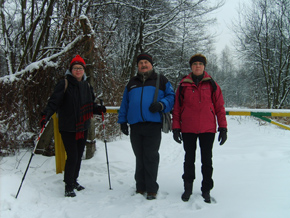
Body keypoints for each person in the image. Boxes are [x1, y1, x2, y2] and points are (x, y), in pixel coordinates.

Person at [40, 55, 106, 197]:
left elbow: (91, 104)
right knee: (72, 156)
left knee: (78, 155)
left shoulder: (87, 85)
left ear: (84, 70)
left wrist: (98, 109)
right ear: (71, 70)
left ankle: (74, 181)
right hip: (68, 127)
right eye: (75, 68)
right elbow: (54, 102)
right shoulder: (64, 84)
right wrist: (45, 115)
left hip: (82, 127)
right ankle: (68, 185)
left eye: (80, 68)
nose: (78, 70)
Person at [118, 53, 175, 200]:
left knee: (150, 157)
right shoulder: (131, 83)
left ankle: (151, 189)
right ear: (138, 66)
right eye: (141, 63)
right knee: (139, 157)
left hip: (153, 125)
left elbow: (171, 97)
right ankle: (140, 187)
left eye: (146, 62)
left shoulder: (160, 80)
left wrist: (162, 105)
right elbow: (125, 103)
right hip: (135, 126)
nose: (143, 65)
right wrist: (122, 121)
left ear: (151, 64)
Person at [172, 54, 227, 203]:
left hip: (207, 129)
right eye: (195, 64)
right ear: (191, 67)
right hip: (188, 128)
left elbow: (219, 108)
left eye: (200, 64)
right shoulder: (184, 85)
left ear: (204, 67)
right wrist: (176, 127)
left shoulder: (212, 85)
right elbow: (177, 108)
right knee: (189, 159)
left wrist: (223, 127)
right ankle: (188, 188)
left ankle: (206, 189)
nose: (198, 66)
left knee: (207, 160)